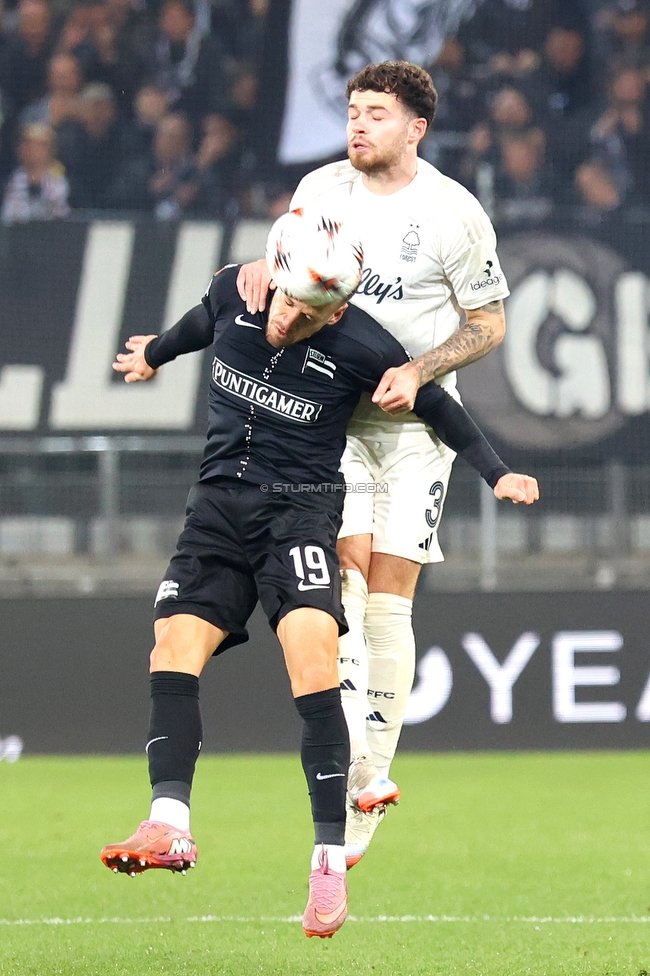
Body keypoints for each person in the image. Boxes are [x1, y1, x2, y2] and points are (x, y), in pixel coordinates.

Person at [101, 216, 538, 939]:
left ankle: (328, 864)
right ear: (272, 274)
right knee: (170, 652)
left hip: (298, 519)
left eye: (309, 314)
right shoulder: (234, 291)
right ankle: (168, 824)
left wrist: (497, 475)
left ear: (337, 309)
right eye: (285, 301)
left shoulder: (362, 345)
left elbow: (440, 407)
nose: (288, 319)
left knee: (313, 664)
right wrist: (154, 353)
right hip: (213, 514)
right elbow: (195, 325)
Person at [236, 60, 512, 866]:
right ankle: (355, 763)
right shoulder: (319, 192)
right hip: (329, 424)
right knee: (346, 577)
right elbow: (283, 275)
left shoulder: (454, 213)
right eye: (354, 111)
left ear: (415, 128)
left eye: (377, 114)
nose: (359, 125)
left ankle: (373, 781)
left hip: (416, 428)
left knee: (390, 601)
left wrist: (421, 370)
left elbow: (487, 321)